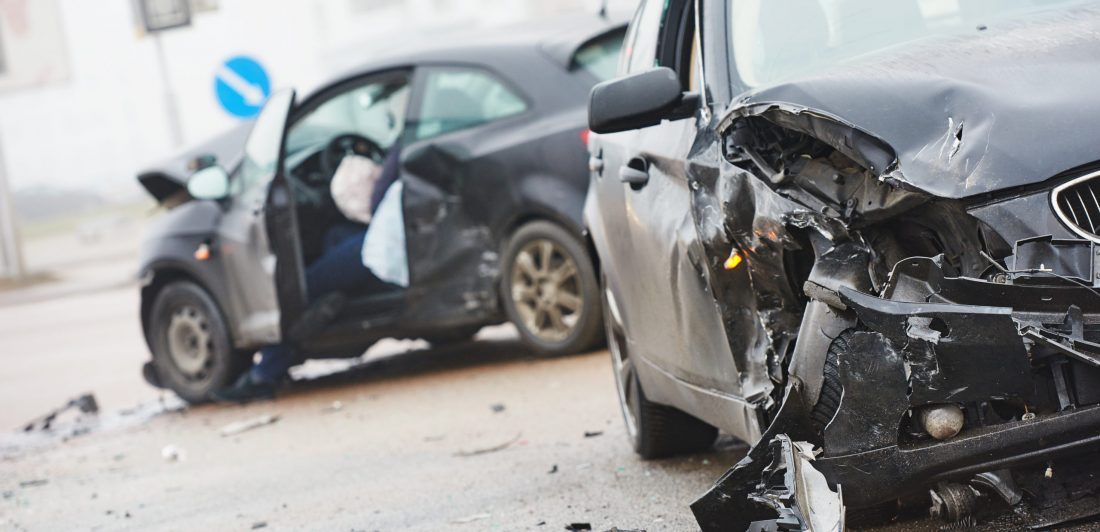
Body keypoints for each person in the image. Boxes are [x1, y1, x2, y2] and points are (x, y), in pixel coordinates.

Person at [211, 145, 406, 402]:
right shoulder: (419, 134)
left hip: (386, 240)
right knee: (334, 235)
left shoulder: (410, 138)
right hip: (389, 230)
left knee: (301, 287)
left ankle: (265, 374)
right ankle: (338, 299)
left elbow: (377, 199)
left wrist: (374, 180)